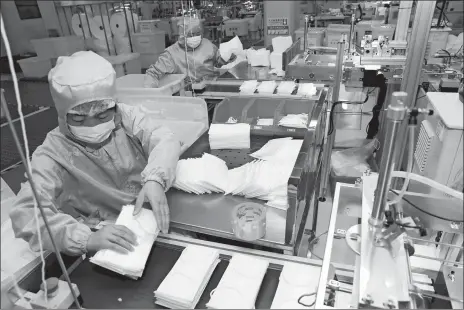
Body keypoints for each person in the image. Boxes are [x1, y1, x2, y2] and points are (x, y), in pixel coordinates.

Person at [10, 51, 181, 256]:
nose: (93, 125)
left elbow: (164, 138)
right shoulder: (53, 153)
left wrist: (155, 179)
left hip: (157, 203)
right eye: (79, 119)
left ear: (113, 105)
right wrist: (85, 238)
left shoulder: (127, 118)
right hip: (110, 230)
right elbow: (26, 213)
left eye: (102, 115)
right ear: (63, 115)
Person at [144, 18, 234, 88]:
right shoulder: (171, 54)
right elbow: (153, 73)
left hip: (212, 88)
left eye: (198, 34)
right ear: (182, 35)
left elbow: (218, 62)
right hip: (187, 94)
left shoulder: (207, 44)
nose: (195, 37)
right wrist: (151, 94)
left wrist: (228, 58)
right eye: (191, 35)